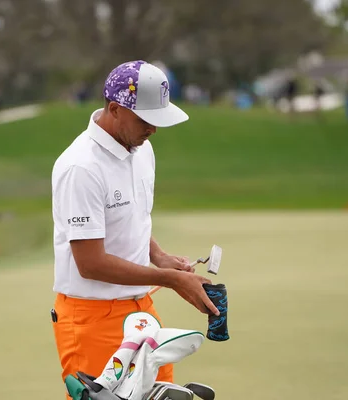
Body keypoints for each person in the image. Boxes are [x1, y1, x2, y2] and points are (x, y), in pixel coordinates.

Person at [50, 60, 220, 399]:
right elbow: (91, 263)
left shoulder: (142, 149)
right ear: (115, 109)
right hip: (91, 318)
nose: (154, 130)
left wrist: (159, 257)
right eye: (146, 119)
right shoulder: (80, 167)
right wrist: (172, 280)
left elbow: (132, 216)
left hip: (141, 310)